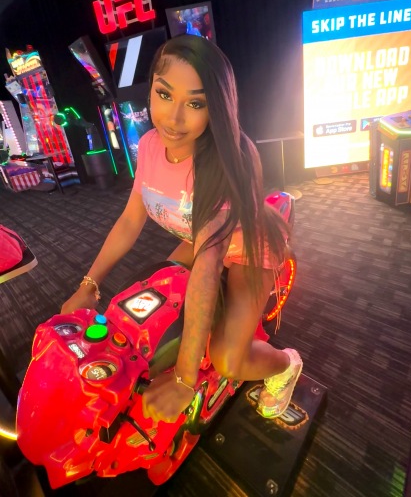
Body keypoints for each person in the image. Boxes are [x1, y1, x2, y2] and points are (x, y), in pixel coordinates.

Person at [61, 34, 302, 420]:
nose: (173, 119)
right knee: (148, 321)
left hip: (246, 247)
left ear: (216, 108)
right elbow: (131, 218)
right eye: (164, 94)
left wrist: (184, 381)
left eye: (195, 103)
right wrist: (88, 285)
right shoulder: (150, 145)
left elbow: (208, 265)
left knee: (229, 359)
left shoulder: (223, 164)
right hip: (199, 239)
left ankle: (287, 365)